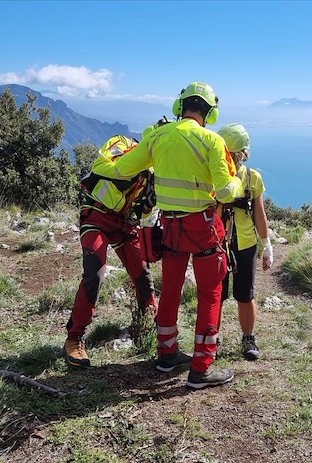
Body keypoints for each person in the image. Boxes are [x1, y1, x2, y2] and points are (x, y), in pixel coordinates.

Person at [96, 82, 243, 389]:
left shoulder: (158, 137)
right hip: (202, 228)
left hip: (171, 228)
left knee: (172, 289)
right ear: (210, 111)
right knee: (210, 293)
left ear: (180, 106)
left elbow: (122, 168)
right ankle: (201, 368)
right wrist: (238, 182)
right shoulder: (211, 141)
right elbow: (227, 192)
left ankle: (166, 354)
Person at [64, 134, 159, 367]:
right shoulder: (123, 144)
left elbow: (144, 212)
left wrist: (147, 205)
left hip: (124, 223)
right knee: (95, 273)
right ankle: (74, 338)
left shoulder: (156, 172)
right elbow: (103, 167)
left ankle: (151, 325)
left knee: (142, 274)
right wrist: (140, 162)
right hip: (95, 216)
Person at [216, 123, 273, 360]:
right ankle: (216, 339)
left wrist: (267, 243)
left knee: (239, 294)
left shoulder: (250, 179)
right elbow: (259, 215)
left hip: (232, 243)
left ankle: (237, 339)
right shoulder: (246, 177)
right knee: (220, 294)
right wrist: (267, 244)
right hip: (224, 242)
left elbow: (259, 214)